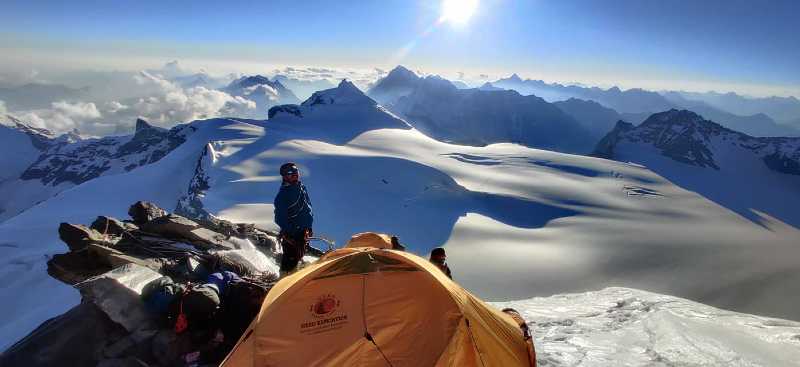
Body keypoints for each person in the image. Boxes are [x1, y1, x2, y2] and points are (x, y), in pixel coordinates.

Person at [274, 162, 314, 274]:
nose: (295, 175)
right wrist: (291, 232)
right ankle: (283, 287)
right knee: (289, 266)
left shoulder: (301, 188)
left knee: (298, 260)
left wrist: (308, 227)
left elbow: (308, 207)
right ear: (285, 176)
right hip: (292, 236)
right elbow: (279, 217)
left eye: (296, 172)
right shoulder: (283, 195)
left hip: (302, 233)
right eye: (291, 173)